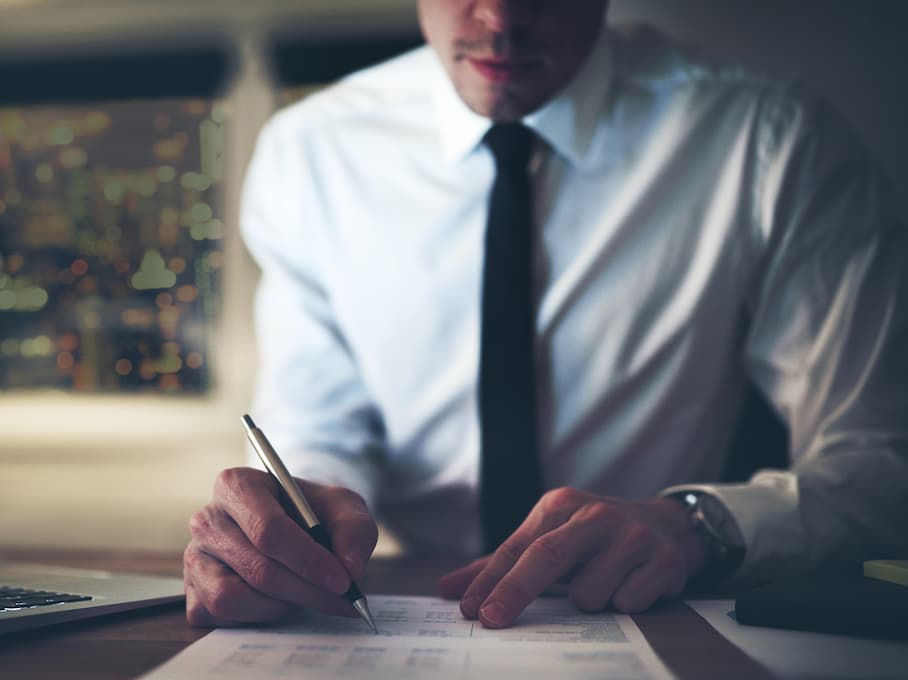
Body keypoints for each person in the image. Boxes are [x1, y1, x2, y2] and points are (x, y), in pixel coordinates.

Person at [184, 0, 908, 629]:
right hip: (409, 609)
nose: (502, 20)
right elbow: (318, 428)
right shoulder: (310, 153)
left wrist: (700, 525)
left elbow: (882, 463)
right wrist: (292, 524)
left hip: (651, 615)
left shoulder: (769, 138)